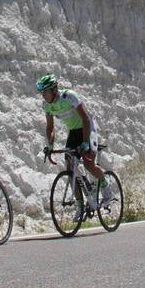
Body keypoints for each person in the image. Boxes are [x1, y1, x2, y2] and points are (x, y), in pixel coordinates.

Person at [37, 73, 115, 206]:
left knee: (88, 163)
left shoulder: (69, 96)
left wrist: (85, 143)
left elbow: (85, 118)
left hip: (87, 128)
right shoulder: (47, 105)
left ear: (54, 90)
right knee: (70, 169)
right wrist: (50, 146)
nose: (43, 95)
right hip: (73, 132)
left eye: (45, 92)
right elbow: (50, 127)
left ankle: (106, 189)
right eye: (42, 93)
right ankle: (80, 205)